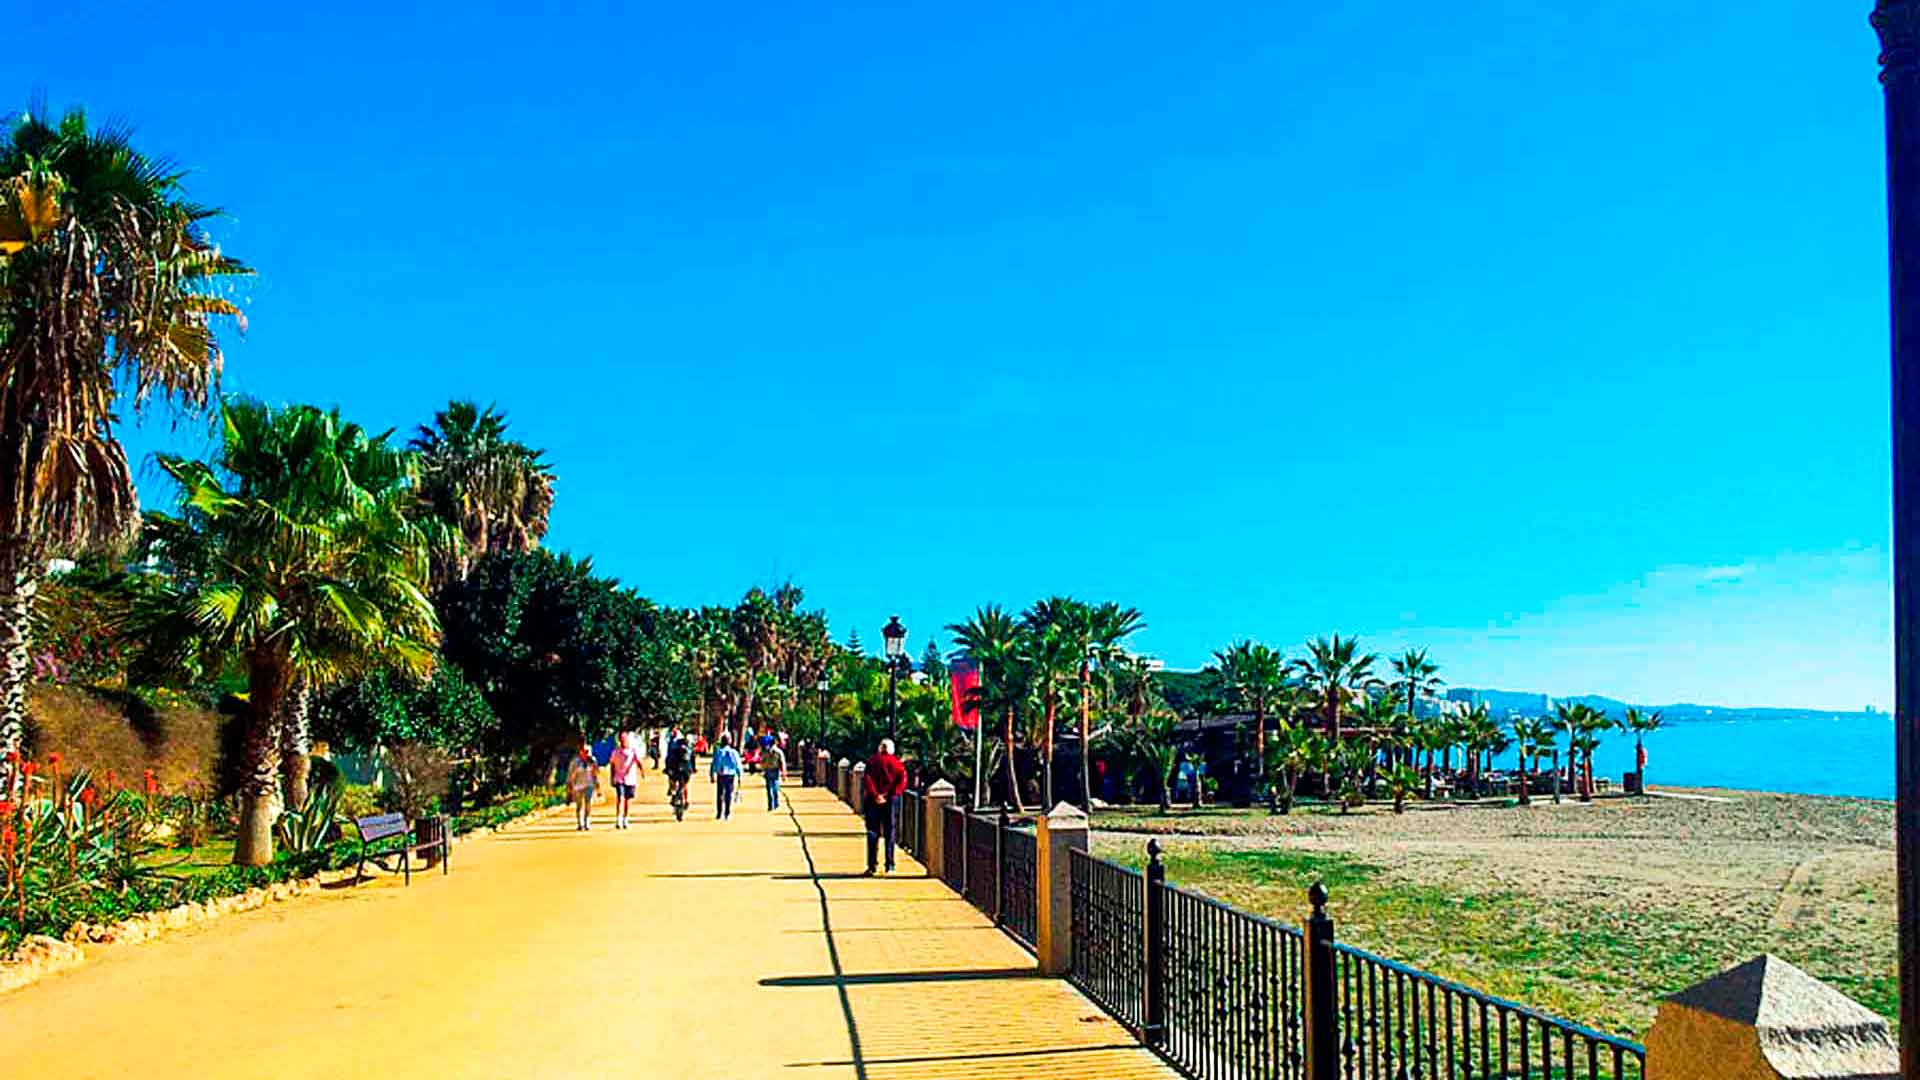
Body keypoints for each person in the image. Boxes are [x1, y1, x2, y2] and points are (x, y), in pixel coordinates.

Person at [861, 738, 908, 875]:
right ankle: (890, 864)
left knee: (872, 832)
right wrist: (891, 794)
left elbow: (868, 779)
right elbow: (902, 780)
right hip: (891, 802)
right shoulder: (897, 763)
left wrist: (876, 795)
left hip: (873, 801)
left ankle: (872, 866)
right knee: (889, 833)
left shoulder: (872, 761)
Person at [608, 732, 645, 829]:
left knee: (627, 800)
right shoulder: (616, 752)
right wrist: (612, 777)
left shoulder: (633, 751)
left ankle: (625, 818)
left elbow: (638, 762)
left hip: (630, 779)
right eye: (621, 739)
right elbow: (612, 765)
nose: (622, 741)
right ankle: (618, 819)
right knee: (620, 798)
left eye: (624, 738)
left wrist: (642, 772)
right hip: (619, 779)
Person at [565, 742, 600, 831]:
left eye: (588, 751)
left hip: (589, 785)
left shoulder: (592, 761)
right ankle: (580, 823)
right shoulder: (575, 762)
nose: (586, 753)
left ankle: (587, 821)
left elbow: (595, 774)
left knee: (588, 804)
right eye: (585, 751)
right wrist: (569, 787)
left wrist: (597, 786)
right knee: (579, 805)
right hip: (578, 786)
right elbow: (570, 775)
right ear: (581, 752)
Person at [709, 732, 743, 820]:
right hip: (730, 775)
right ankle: (727, 813)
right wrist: (740, 775)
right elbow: (738, 764)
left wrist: (712, 774)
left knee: (719, 794)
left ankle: (719, 813)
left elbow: (714, 764)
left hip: (721, 774)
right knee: (728, 794)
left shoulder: (718, 752)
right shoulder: (733, 752)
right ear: (729, 742)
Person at [762, 736, 787, 811]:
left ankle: (770, 805)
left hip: (768, 771)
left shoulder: (766, 751)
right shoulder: (779, 751)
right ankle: (776, 804)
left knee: (769, 788)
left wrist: (763, 769)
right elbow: (782, 762)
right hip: (775, 771)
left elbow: (763, 761)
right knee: (775, 788)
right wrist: (784, 773)